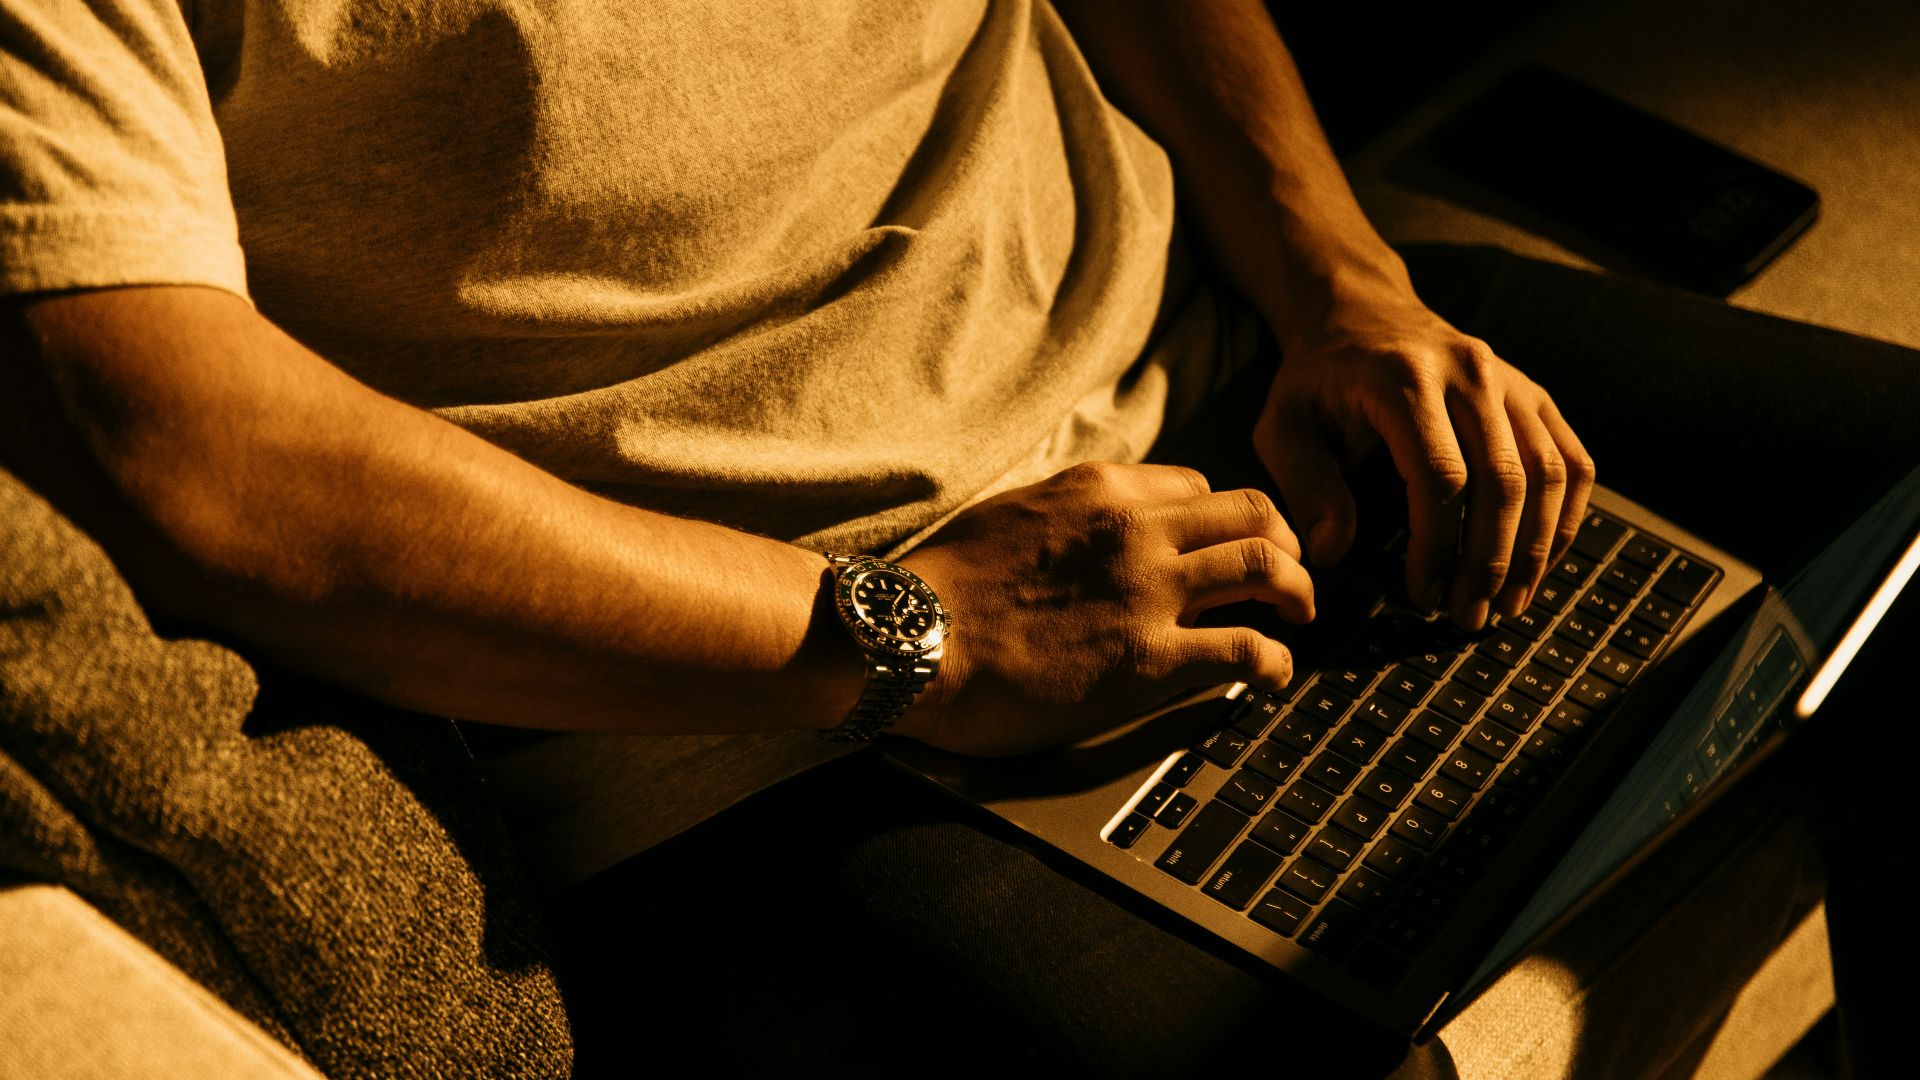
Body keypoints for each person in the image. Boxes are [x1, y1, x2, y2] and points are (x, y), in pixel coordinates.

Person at [4, 0, 1913, 1075]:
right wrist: (917, 634)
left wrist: (1349, 286)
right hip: (783, 715)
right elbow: (184, 450)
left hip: (1241, 374)